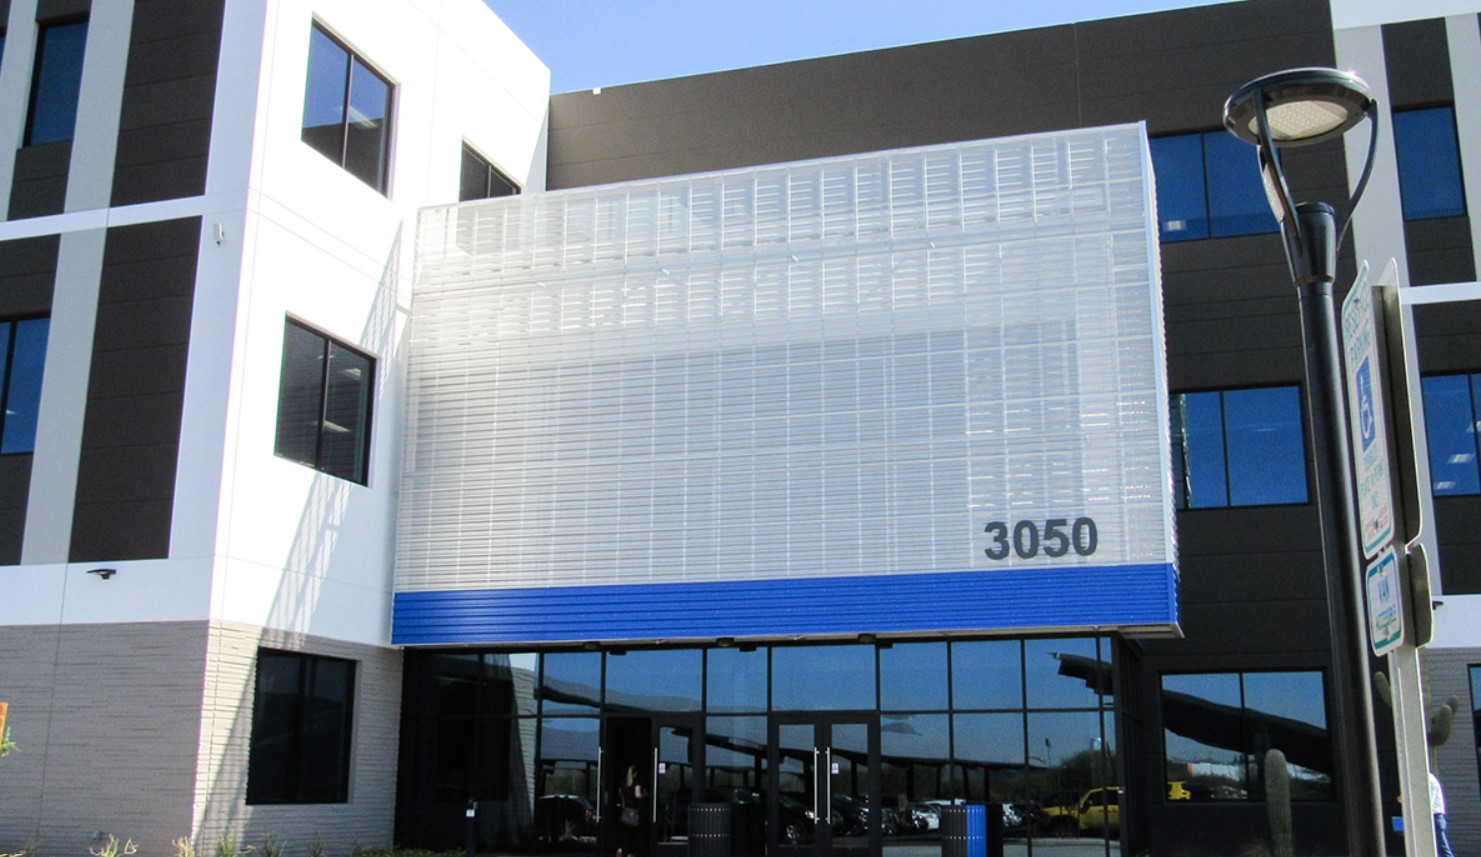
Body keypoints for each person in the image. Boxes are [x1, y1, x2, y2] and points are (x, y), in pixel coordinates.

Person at [1432, 771, 1456, 857]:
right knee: (1440, 847)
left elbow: (1428, 802)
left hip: (1435, 817)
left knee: (1442, 848)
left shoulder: (1429, 780)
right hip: (1436, 817)